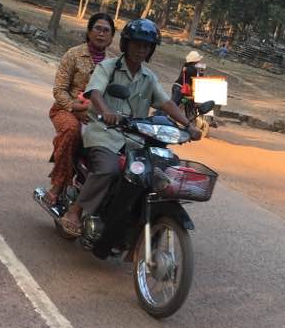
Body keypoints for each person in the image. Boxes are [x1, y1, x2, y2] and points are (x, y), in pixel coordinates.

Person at [59, 19, 201, 236]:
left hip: (135, 140)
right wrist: (106, 110)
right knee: (109, 169)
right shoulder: (107, 67)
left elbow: (166, 103)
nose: (141, 50)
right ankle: (76, 211)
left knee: (159, 171)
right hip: (104, 133)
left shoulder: (149, 77)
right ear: (126, 44)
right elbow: (95, 92)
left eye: (146, 46)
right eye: (136, 44)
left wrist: (189, 125)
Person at [42, 12, 116, 208]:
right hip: (66, 110)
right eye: (97, 29)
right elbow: (59, 90)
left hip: (97, 115)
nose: (101, 34)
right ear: (89, 32)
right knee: (71, 131)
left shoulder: (114, 64)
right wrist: (74, 107)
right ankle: (58, 184)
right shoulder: (73, 54)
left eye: (106, 30)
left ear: (111, 37)